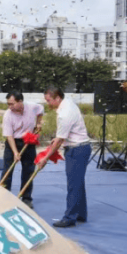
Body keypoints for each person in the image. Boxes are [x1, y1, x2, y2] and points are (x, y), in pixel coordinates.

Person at [39, 87, 91, 228]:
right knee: (78, 183)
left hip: (76, 150)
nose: (48, 104)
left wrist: (45, 158)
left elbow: (60, 141)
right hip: (80, 147)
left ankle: (69, 217)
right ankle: (81, 214)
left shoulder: (65, 113)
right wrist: (57, 138)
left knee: (73, 184)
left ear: (57, 98)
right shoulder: (68, 102)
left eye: (49, 100)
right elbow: (62, 136)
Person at [1, 91, 44, 208]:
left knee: (28, 171)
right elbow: (9, 135)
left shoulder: (32, 107)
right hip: (13, 142)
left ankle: (26, 198)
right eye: (8, 104)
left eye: (12, 104)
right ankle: (4, 197)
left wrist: (39, 123)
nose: (10, 106)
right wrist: (15, 152)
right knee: (8, 170)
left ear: (20, 102)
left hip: (28, 142)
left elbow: (41, 110)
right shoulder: (8, 115)